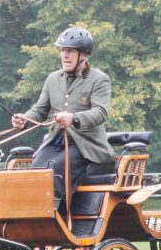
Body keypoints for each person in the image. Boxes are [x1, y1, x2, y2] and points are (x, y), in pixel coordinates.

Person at [11, 27, 113, 208]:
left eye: (70, 51)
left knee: (54, 171)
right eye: (62, 50)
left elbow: (100, 112)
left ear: (85, 54)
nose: (65, 55)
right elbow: (40, 111)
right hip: (56, 141)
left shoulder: (99, 79)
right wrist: (24, 120)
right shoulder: (52, 79)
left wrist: (73, 118)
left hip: (85, 145)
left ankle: (55, 217)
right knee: (36, 170)